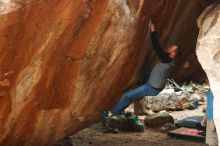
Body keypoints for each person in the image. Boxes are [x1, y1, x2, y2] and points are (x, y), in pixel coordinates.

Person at [102, 20, 179, 117]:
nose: (169, 48)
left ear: (173, 54)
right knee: (145, 72)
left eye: (171, 48)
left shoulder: (167, 59)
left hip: (151, 88)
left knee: (127, 95)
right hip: (152, 84)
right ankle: (119, 111)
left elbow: (157, 48)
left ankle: (109, 113)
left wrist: (152, 31)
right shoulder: (170, 60)